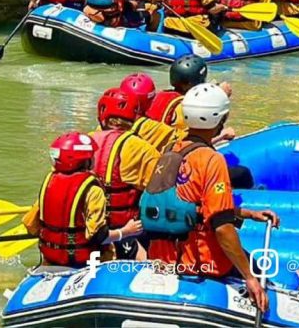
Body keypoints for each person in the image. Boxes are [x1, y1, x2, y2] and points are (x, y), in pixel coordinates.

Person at [146, 84, 279, 311]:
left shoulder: (171, 149)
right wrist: (249, 277)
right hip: (198, 262)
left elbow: (189, 203)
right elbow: (222, 227)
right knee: (265, 281)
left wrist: (246, 213)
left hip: (163, 258)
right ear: (220, 120)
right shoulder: (211, 160)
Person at [22, 132, 143, 266]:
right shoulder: (93, 190)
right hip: (84, 262)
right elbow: (98, 236)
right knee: (139, 253)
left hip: (51, 258)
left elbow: (30, 225)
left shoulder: (49, 182)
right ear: (85, 161)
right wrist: (125, 231)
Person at [91, 88, 161, 259]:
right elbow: (163, 190)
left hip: (88, 234)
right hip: (127, 231)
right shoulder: (141, 148)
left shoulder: (85, 141)